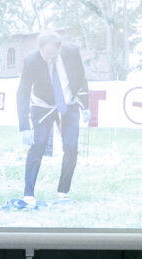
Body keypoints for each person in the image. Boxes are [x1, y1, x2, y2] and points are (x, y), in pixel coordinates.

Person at [16, 30, 89, 207]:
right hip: (43, 107)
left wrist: (86, 106)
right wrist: (24, 126)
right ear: (40, 49)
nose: (49, 57)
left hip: (68, 104)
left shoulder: (72, 52)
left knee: (71, 147)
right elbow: (23, 92)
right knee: (38, 145)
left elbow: (81, 78)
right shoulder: (31, 61)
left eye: (53, 54)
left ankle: (63, 192)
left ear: (60, 48)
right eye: (46, 54)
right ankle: (28, 194)